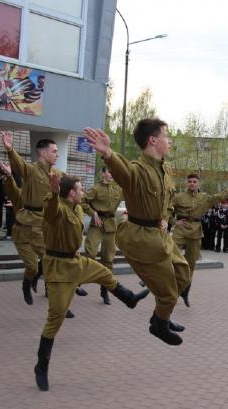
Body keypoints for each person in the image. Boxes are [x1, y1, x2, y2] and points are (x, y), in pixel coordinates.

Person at [33, 173, 149, 391]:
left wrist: (73, 244)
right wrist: (55, 192)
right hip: (59, 269)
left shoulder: (76, 208)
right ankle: (41, 366)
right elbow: (50, 211)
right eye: (80, 189)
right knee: (56, 317)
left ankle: (129, 299)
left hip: (76, 262)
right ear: (71, 193)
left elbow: (73, 232)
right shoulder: (57, 208)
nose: (83, 192)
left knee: (105, 274)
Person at [83, 120, 191, 346]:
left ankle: (161, 315)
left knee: (183, 273)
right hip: (141, 239)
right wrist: (108, 154)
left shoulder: (164, 168)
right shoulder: (138, 170)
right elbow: (124, 172)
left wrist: (165, 218)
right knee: (169, 294)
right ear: (153, 140)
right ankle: (159, 325)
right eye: (166, 135)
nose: (169, 140)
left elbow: (167, 199)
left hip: (159, 233)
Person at [1, 132, 64, 305]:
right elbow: (19, 165)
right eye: (54, 151)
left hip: (41, 225)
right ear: (43, 153)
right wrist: (10, 149)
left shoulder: (57, 174)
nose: (57, 154)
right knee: (32, 266)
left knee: (49, 260)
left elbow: (71, 186)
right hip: (24, 226)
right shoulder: (32, 170)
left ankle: (55, 297)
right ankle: (27, 282)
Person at [171, 174, 228, 306]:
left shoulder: (205, 197)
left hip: (195, 232)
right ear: (186, 183)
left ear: (199, 184)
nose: (192, 184)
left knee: (191, 264)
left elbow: (221, 195)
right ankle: (158, 281)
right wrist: (173, 221)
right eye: (190, 181)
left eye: (195, 181)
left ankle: (184, 291)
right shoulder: (178, 197)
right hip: (180, 231)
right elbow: (166, 210)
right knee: (170, 254)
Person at [81, 166, 124, 305]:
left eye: (113, 172)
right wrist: (93, 213)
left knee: (108, 259)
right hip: (97, 224)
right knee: (90, 253)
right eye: (109, 172)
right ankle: (77, 279)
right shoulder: (95, 189)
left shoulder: (118, 189)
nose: (111, 174)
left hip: (111, 225)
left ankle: (105, 290)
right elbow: (82, 201)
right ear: (103, 173)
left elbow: (131, 197)